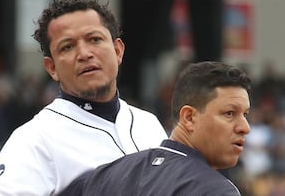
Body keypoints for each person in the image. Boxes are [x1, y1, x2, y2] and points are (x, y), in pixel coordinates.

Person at [0, 0, 168, 196]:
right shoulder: (37, 138)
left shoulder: (149, 124)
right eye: (67, 47)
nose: (84, 53)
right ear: (52, 68)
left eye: (94, 39)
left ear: (118, 51)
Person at [59, 61, 252, 196]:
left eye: (245, 115)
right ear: (189, 117)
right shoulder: (214, 190)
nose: (245, 127)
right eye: (229, 113)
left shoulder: (108, 175)